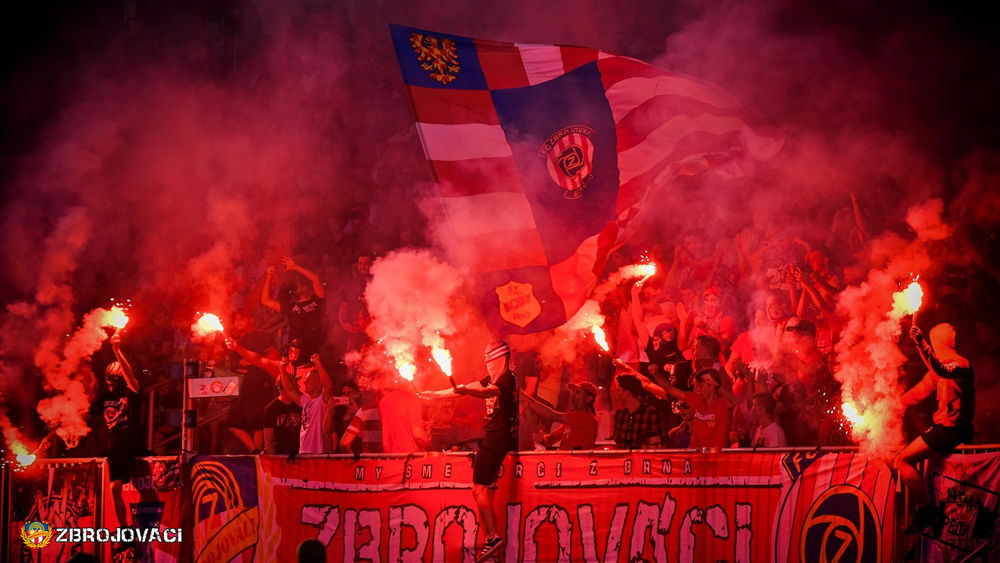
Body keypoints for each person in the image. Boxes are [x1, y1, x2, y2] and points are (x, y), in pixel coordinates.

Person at [419, 340, 518, 563]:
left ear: (499, 358)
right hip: (492, 439)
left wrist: (469, 391)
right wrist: (435, 395)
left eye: (489, 360)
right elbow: (462, 389)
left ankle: (493, 538)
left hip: (496, 439)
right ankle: (492, 538)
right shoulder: (493, 378)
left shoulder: (507, 379)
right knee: (484, 489)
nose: (487, 365)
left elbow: (488, 392)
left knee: (479, 489)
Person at [898, 323, 975, 535]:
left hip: (952, 430)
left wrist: (921, 343)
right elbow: (923, 388)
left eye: (933, 342)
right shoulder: (939, 367)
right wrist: (895, 404)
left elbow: (941, 369)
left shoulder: (961, 366)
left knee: (903, 460)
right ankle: (931, 511)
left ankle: (926, 509)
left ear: (939, 342)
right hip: (945, 428)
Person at [98, 331, 142, 528]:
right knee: (114, 489)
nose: (110, 382)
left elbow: (131, 378)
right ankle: (124, 528)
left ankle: (143, 528)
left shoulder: (131, 391)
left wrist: (116, 349)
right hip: (113, 448)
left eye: (114, 378)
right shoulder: (103, 397)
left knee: (145, 490)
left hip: (130, 444)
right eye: (108, 378)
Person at [653, 368, 734, 450]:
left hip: (715, 457)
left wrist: (717, 386)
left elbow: (734, 402)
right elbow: (669, 389)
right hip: (694, 455)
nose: (697, 390)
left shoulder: (723, 403)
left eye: (701, 386)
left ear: (712, 386)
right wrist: (655, 373)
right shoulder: (697, 399)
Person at [262, 256, 327, 357]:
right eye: (299, 285)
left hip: (312, 346)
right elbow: (265, 301)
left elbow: (315, 278)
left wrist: (295, 267)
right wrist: (268, 277)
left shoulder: (317, 301)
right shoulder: (291, 306)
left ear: (311, 291)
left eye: (305, 285)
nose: (301, 286)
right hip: (295, 350)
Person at [280, 353, 334, 454]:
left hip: (320, 452)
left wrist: (317, 363)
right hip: (304, 451)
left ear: (319, 382)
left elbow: (328, 386)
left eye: (308, 380)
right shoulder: (306, 400)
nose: (304, 383)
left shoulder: (322, 400)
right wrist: (282, 368)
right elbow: (290, 390)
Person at [522, 381, 599, 450]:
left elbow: (552, 415)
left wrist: (527, 399)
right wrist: (542, 440)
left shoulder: (587, 418)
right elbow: (551, 440)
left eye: (577, 392)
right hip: (565, 463)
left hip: (576, 464)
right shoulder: (572, 420)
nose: (573, 395)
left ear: (589, 398)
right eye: (574, 392)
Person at [611, 374, 663, 450]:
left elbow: (659, 444)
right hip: (625, 460)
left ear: (627, 393)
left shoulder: (651, 414)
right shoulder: (620, 415)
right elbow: (618, 442)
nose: (616, 394)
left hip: (645, 460)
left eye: (618, 390)